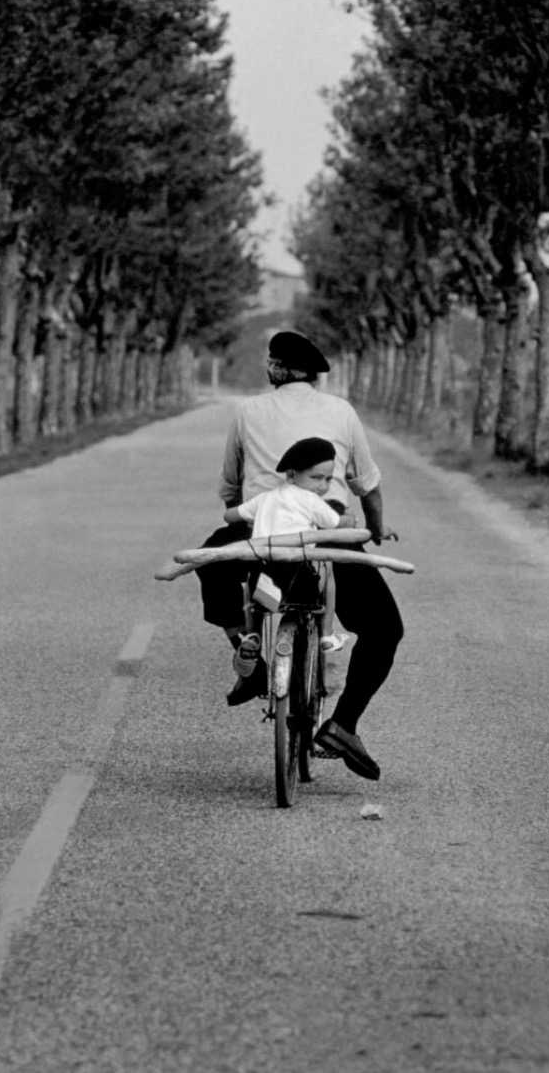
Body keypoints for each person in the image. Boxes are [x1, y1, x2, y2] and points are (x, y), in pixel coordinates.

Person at [197, 328, 404, 781]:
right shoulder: (342, 412)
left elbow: (230, 488)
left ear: (273, 368)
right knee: (384, 629)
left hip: (263, 537)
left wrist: (248, 511)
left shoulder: (248, 411)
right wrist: (376, 526)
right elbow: (366, 483)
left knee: (210, 563)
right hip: (325, 539)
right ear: (315, 375)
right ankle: (344, 726)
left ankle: (249, 656)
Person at [221, 435, 346, 689]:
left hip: (264, 576)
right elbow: (334, 523)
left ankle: (252, 633)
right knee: (328, 568)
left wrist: (248, 519)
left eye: (328, 479)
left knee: (252, 590)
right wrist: (349, 522)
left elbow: (230, 515)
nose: (322, 486)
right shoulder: (311, 501)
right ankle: (326, 633)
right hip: (300, 576)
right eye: (316, 477)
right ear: (291, 475)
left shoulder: (265, 498)